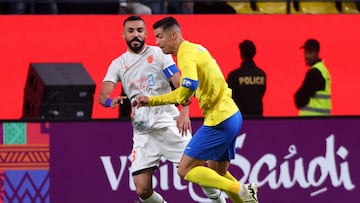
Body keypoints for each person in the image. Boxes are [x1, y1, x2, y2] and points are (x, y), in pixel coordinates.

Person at [99, 16, 226, 203]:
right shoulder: (118, 64)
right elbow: (103, 97)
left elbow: (180, 84)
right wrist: (111, 102)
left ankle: (219, 201)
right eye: (131, 31)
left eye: (140, 31)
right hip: (143, 131)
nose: (136, 35)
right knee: (142, 189)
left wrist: (184, 113)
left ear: (145, 33)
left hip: (169, 123)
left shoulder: (159, 55)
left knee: (195, 169)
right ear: (123, 34)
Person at [133, 16, 259, 203]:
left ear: (174, 35)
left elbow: (189, 86)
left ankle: (242, 189)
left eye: (160, 37)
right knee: (218, 173)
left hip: (220, 120)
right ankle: (245, 197)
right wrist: (154, 101)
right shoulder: (195, 48)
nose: (157, 42)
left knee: (185, 169)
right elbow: (186, 91)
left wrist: (154, 100)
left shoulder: (185, 54)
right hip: (232, 115)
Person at [227, 40, 266, 118]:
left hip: (239, 118)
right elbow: (261, 93)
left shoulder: (234, 76)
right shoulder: (261, 74)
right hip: (258, 118)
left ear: (241, 53)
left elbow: (230, 96)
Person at [294, 38, 331, 116]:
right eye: (305, 52)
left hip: (311, 120)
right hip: (323, 119)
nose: (306, 56)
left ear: (317, 53)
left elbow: (300, 99)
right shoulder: (323, 70)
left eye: (309, 53)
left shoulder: (314, 73)